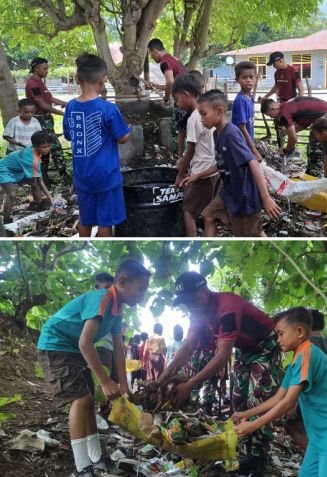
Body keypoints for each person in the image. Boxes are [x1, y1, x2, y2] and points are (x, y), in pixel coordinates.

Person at [160, 272, 284, 473]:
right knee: (238, 400)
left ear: (204, 292)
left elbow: (222, 355)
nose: (189, 306)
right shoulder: (198, 314)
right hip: (245, 350)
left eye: (191, 299)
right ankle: (247, 451)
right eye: (186, 302)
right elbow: (188, 345)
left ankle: (259, 458)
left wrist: (190, 385)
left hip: (266, 347)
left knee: (257, 398)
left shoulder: (227, 306)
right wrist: (166, 373)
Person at [37, 259, 150, 477]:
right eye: (141, 288)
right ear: (122, 281)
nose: (143, 294)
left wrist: (124, 386)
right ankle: (82, 468)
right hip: (56, 344)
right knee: (82, 401)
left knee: (90, 403)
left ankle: (97, 459)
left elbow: (118, 349)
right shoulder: (104, 299)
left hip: (73, 349)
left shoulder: (117, 311)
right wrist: (105, 381)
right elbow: (85, 342)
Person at [231, 307, 327, 476]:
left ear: (300, 332)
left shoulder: (308, 354)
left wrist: (253, 425)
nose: (277, 339)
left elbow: (288, 402)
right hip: (320, 436)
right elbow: (278, 398)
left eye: (281, 334)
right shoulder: (297, 359)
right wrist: (246, 413)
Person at [62, 54, 132, 238]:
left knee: (85, 219)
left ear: (77, 79)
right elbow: (123, 137)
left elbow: (69, 135)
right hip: (106, 176)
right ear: (103, 81)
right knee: (105, 222)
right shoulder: (108, 109)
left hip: (82, 175)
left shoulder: (70, 107)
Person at [197, 90, 282, 237]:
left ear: (219, 111)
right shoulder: (217, 134)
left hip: (244, 194)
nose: (201, 119)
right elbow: (222, 164)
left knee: (251, 234)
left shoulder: (231, 134)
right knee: (208, 215)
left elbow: (252, 162)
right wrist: (197, 176)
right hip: (229, 191)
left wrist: (266, 198)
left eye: (204, 114)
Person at [173, 74, 218, 237]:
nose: (177, 104)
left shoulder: (193, 119)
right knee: (209, 213)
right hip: (213, 169)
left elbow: (190, 149)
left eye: (177, 99)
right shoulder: (207, 112)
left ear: (186, 94)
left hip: (201, 173)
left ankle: (192, 240)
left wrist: (180, 175)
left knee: (188, 211)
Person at [26, 57, 67, 184]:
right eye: (45, 68)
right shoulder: (33, 83)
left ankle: (45, 178)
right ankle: (62, 175)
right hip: (40, 120)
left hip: (47, 119)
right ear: (36, 68)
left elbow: (51, 99)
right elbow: (42, 104)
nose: (47, 71)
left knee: (47, 147)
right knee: (52, 147)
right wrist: (63, 114)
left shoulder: (40, 82)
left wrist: (69, 104)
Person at [0, 131, 54, 225]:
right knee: (12, 194)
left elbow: (37, 181)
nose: (47, 149)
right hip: (4, 170)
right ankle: (7, 220)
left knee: (34, 182)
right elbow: (41, 181)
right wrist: (51, 199)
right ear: (35, 146)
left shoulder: (35, 152)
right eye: (44, 147)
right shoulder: (32, 160)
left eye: (49, 146)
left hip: (19, 170)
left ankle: (39, 205)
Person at [260, 96, 327, 159]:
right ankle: (326, 176)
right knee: (323, 154)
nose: (270, 117)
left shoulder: (284, 113)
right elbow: (304, 124)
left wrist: (284, 150)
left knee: (316, 154)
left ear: (273, 109)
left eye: (269, 115)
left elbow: (293, 139)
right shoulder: (286, 104)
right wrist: (287, 131)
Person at [231, 61, 264, 162]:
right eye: (244, 77)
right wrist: (254, 151)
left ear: (256, 78)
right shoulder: (240, 100)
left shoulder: (250, 97)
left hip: (247, 143)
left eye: (251, 77)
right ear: (237, 80)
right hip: (240, 144)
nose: (248, 80)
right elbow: (242, 127)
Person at [146, 39, 186, 105]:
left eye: (150, 53)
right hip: (189, 95)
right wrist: (158, 86)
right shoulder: (173, 59)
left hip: (183, 99)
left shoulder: (164, 62)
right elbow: (176, 83)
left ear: (154, 50)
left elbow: (170, 82)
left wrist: (166, 98)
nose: (151, 57)